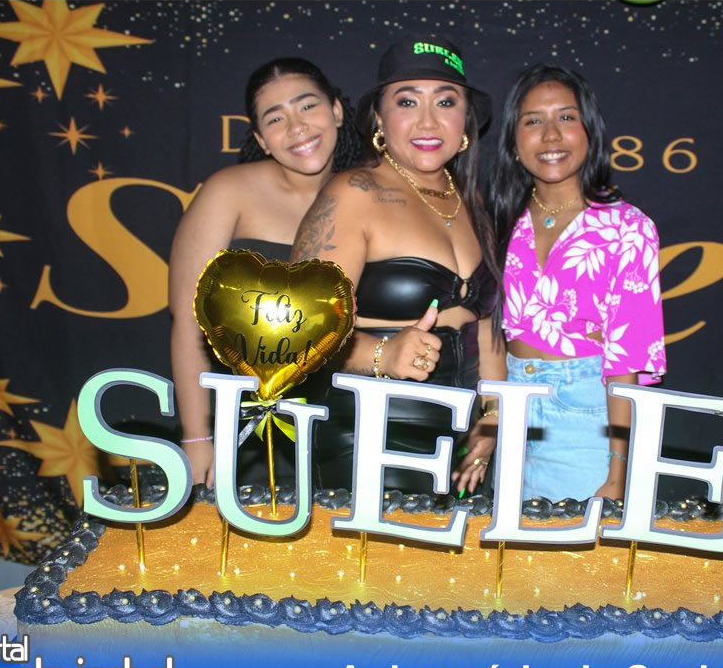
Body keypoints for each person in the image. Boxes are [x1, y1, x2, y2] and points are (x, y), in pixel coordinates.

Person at [290, 36, 503, 495]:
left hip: (457, 446)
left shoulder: (472, 201)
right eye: (407, 101)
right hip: (366, 437)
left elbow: (487, 329)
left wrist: (490, 418)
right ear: (380, 119)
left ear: (466, 120)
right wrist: (380, 354)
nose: (428, 120)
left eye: (445, 101)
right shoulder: (354, 193)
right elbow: (293, 329)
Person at [467, 64, 666, 502]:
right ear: (513, 141)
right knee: (510, 544)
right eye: (533, 121)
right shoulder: (496, 220)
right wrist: (491, 419)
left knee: (575, 547)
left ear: (589, 131)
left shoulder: (627, 228)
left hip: (587, 417)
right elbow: (487, 330)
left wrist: (618, 472)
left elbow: (626, 362)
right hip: (512, 406)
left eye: (566, 117)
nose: (551, 135)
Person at [169, 58, 362, 487]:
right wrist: (198, 437)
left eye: (307, 106)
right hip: (248, 431)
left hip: (348, 428)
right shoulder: (229, 191)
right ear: (260, 138)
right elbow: (188, 321)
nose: (297, 127)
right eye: (276, 118)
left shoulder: (369, 192)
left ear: (336, 111)